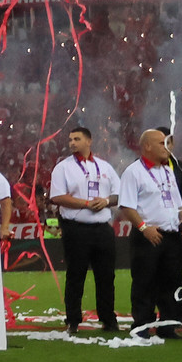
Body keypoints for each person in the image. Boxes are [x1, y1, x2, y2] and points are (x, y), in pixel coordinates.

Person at [118, 128, 182, 340]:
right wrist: (144, 228)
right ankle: (141, 324)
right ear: (147, 146)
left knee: (171, 282)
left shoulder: (169, 170)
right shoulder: (133, 172)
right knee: (145, 281)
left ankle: (168, 325)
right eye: (161, 143)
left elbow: (176, 202)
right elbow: (126, 205)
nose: (166, 147)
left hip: (172, 235)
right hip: (148, 235)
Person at [43, 125, 121, 336]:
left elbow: (119, 195)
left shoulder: (104, 167)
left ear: (89, 141)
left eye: (77, 139)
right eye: (70, 139)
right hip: (76, 229)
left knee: (106, 276)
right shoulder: (63, 167)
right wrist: (87, 204)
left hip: (103, 228)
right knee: (76, 275)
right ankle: (73, 320)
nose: (72, 143)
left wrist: (105, 201)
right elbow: (57, 197)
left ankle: (108, 319)